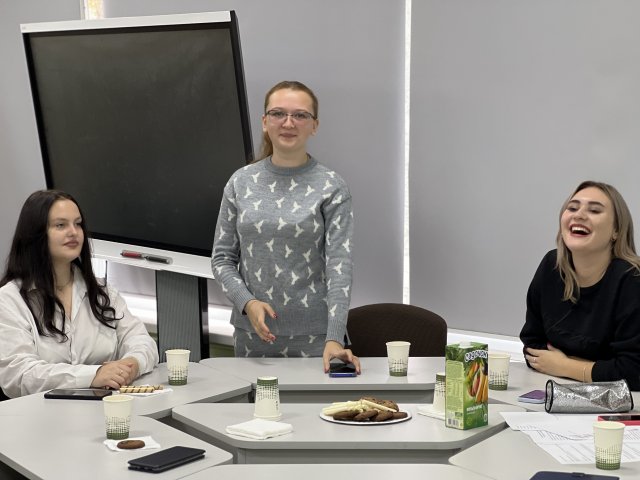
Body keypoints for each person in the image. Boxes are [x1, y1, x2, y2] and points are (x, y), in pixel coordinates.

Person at [211, 80, 360, 373]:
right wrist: (248, 303)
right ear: (265, 122)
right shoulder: (240, 182)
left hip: (317, 340)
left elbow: (339, 268)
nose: (288, 123)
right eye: (278, 113)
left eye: (300, 115)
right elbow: (222, 259)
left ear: (314, 125)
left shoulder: (332, 186)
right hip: (252, 337)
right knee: (254, 403)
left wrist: (334, 336)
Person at [0, 190, 159, 398]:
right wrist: (94, 375)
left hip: (105, 409)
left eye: (78, 224)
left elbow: (142, 341)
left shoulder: (102, 291)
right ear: (35, 235)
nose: (74, 232)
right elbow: (18, 374)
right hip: (39, 414)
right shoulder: (9, 300)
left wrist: (132, 364)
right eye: (61, 225)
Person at [520, 180, 640, 390]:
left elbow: (634, 372)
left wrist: (565, 366)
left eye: (594, 210)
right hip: (558, 389)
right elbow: (532, 346)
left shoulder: (632, 280)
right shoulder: (551, 265)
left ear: (616, 230)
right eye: (572, 208)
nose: (579, 215)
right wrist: (592, 368)